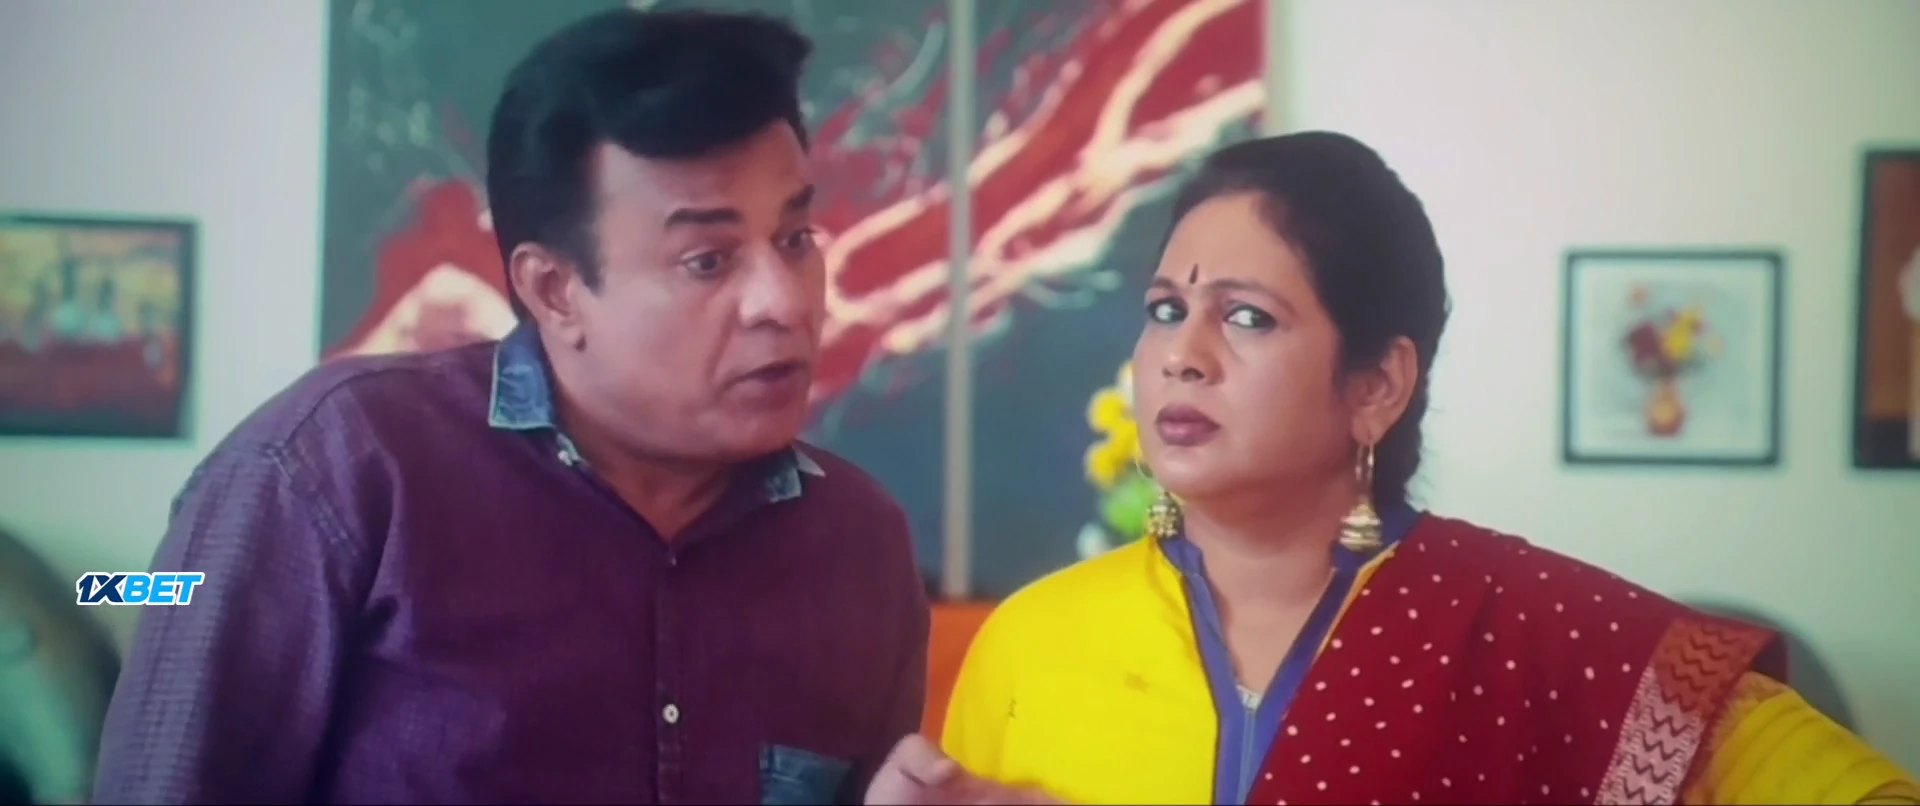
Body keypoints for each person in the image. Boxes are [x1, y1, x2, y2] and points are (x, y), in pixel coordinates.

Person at [868, 132, 1919, 805]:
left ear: (1375, 384)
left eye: (1246, 316)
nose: (1182, 353)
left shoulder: (1527, 631)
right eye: (1164, 309)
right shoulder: (1032, 643)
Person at [94, 8, 928, 804]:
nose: (783, 301)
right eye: (707, 260)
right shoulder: (331, 474)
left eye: (794, 240)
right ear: (554, 289)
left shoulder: (858, 546)